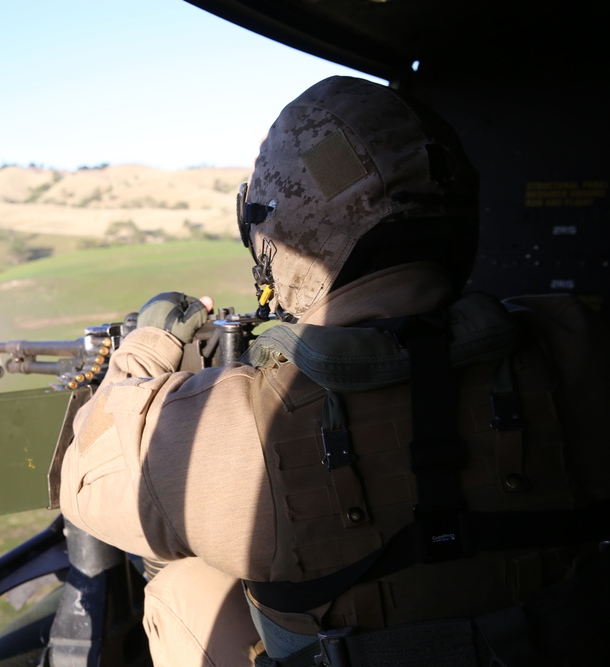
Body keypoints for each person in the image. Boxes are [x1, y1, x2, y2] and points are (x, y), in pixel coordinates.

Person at [58, 75, 610, 666]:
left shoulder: (236, 425)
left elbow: (85, 479)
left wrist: (149, 344)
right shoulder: (576, 346)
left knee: (184, 587)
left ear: (285, 231)